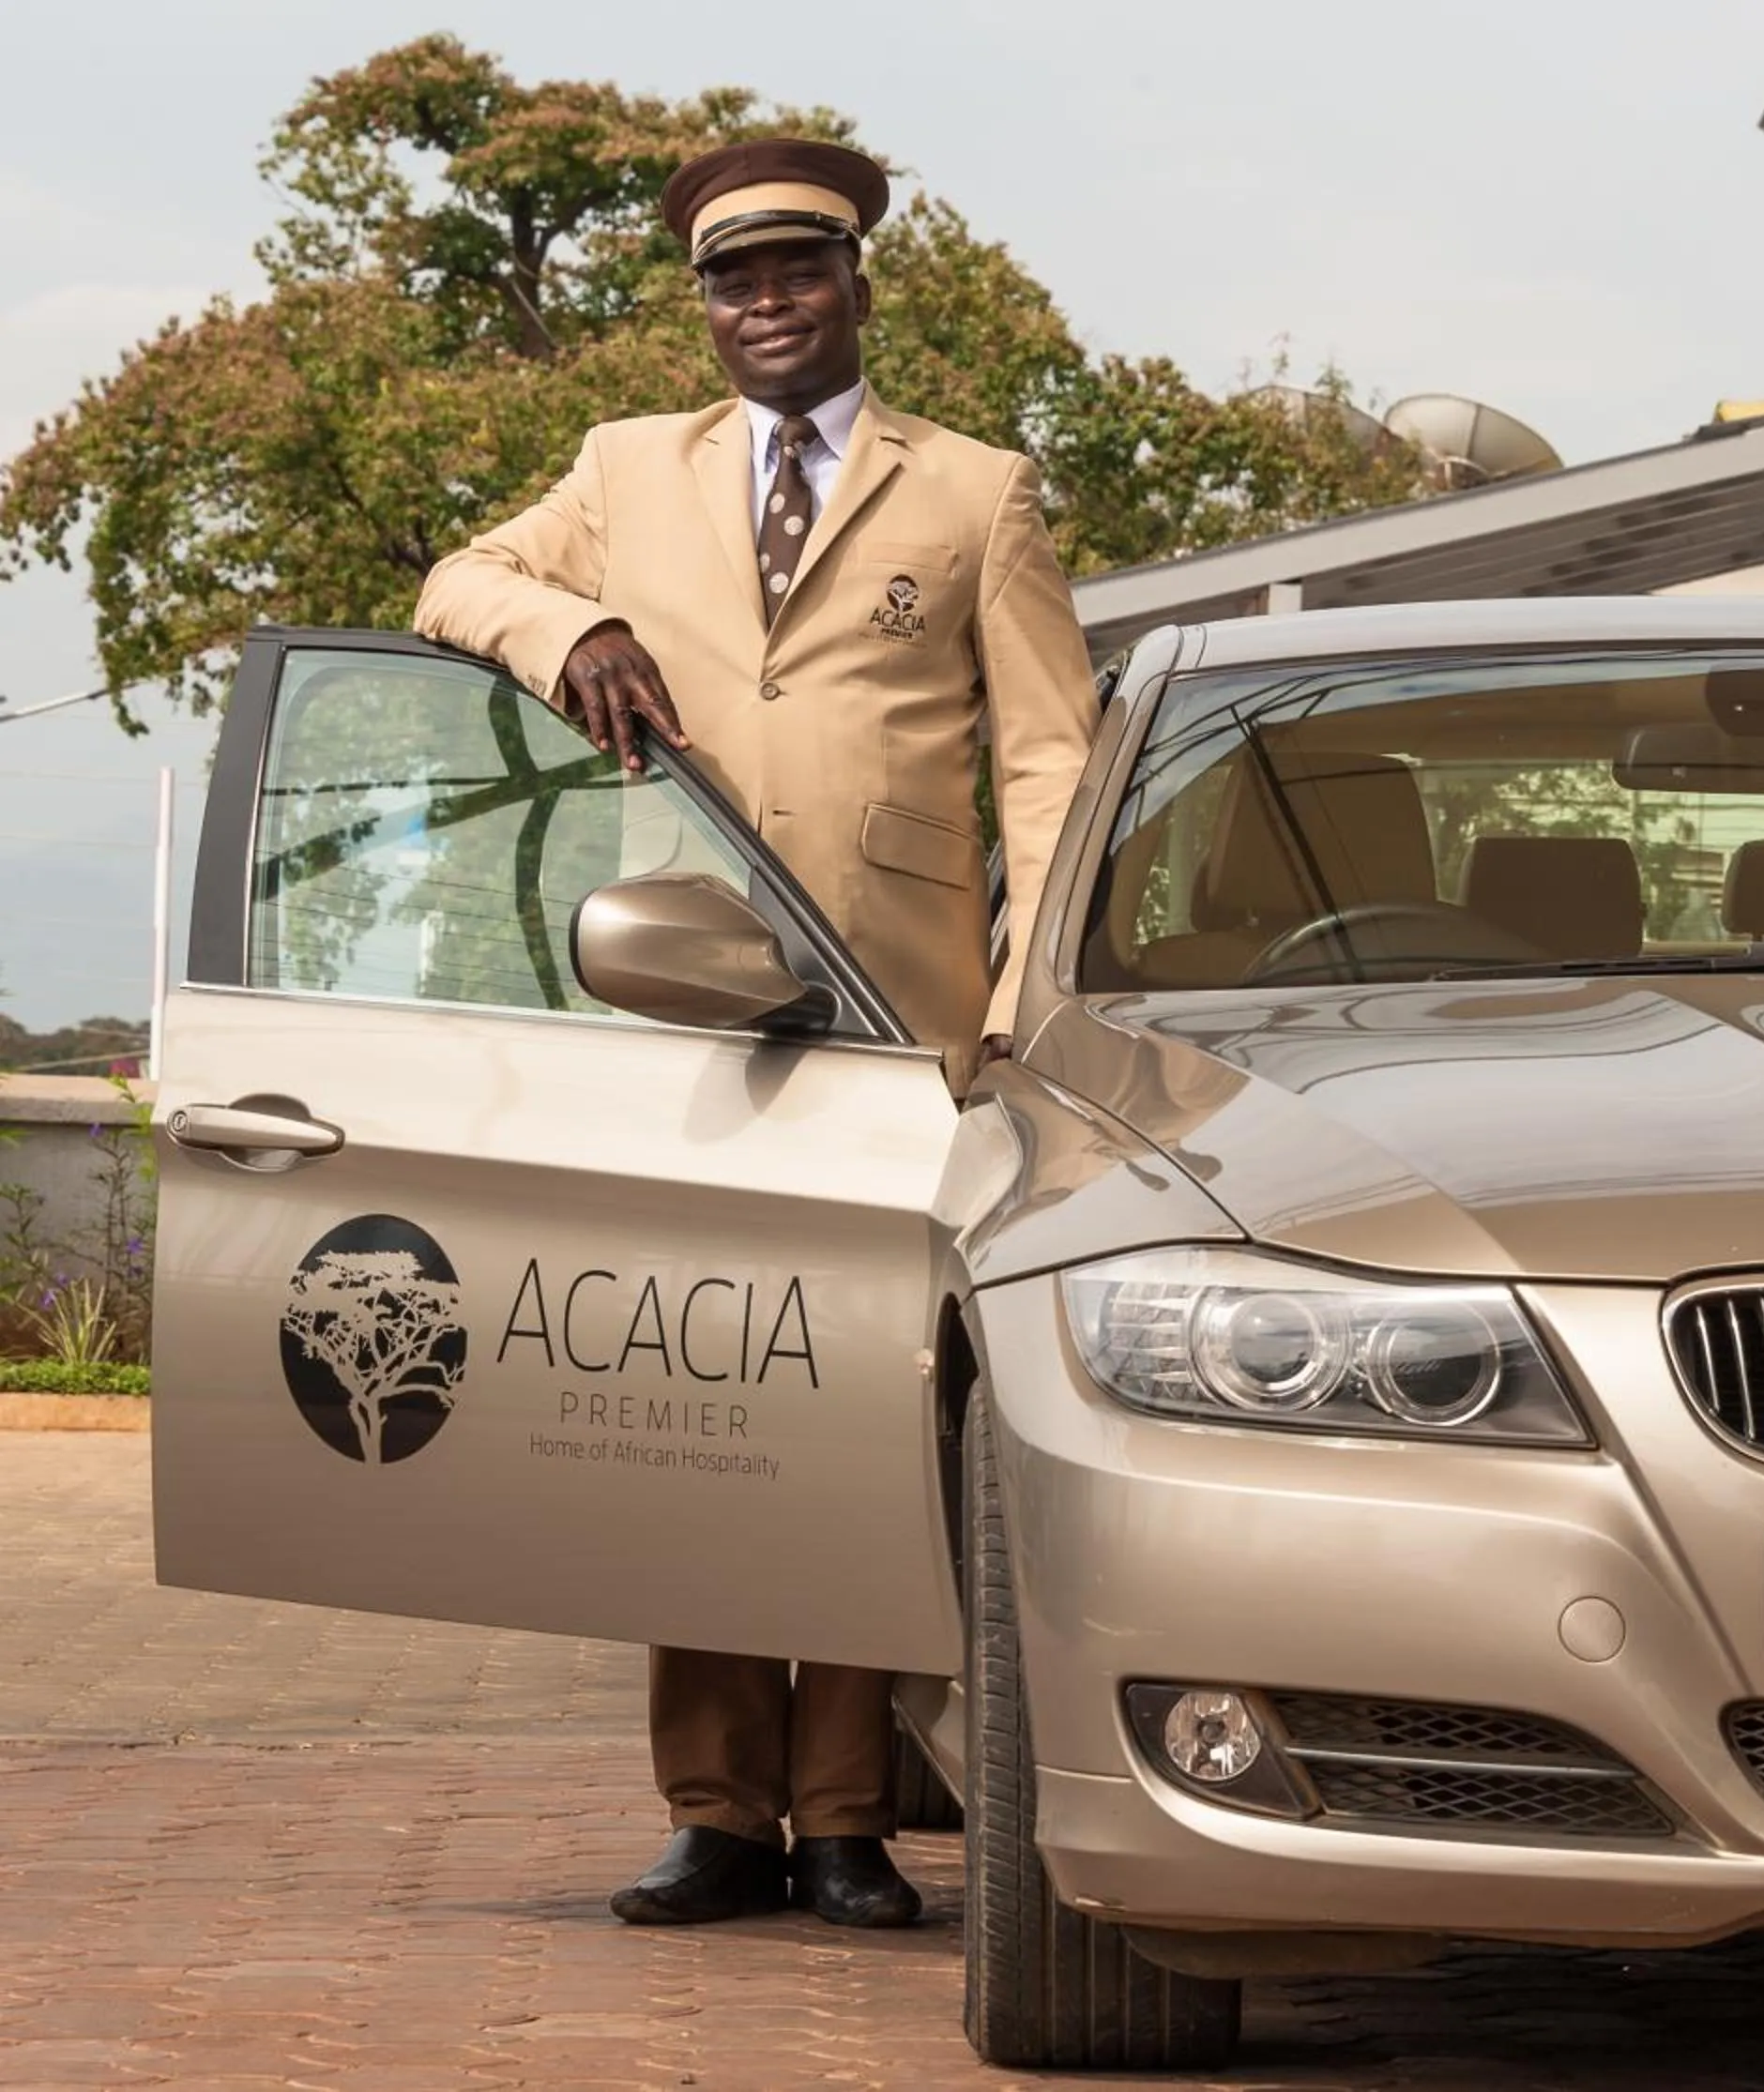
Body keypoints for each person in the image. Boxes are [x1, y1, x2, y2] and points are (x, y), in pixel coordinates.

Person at [413, 138, 1099, 1930]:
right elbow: (455, 582)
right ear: (703, 307)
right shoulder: (621, 469)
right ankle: (716, 1811)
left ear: (858, 284)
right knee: (695, 1403)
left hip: (899, 1026)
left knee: (864, 1408)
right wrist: (574, 628)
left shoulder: (979, 491)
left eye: (798, 271)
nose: (766, 304)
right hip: (682, 1004)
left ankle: (849, 1813)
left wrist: (1025, 1005)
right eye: (733, 280)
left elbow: (1048, 761)